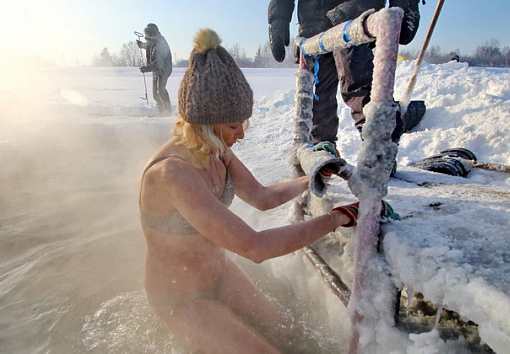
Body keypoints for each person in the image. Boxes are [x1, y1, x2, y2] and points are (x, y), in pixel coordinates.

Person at [139, 28, 398, 353]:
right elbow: (254, 247)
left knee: (286, 333)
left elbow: (262, 198)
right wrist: (338, 218)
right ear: (204, 122)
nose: (242, 135)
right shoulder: (172, 174)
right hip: (180, 297)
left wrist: (314, 177)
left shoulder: (217, 150)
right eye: (234, 126)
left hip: (220, 273)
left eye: (244, 124)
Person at [268, 0, 421, 156]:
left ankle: (380, 152)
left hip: (352, 15)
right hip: (313, 26)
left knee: (357, 84)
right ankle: (322, 149)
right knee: (317, 94)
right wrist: (278, 18)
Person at [137, 23, 173, 114]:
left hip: (164, 69)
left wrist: (147, 68)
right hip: (156, 69)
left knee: (160, 90)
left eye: (151, 35)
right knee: (155, 94)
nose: (151, 37)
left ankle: (168, 110)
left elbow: (159, 63)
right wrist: (142, 45)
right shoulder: (153, 41)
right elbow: (149, 45)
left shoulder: (161, 43)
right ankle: (161, 110)